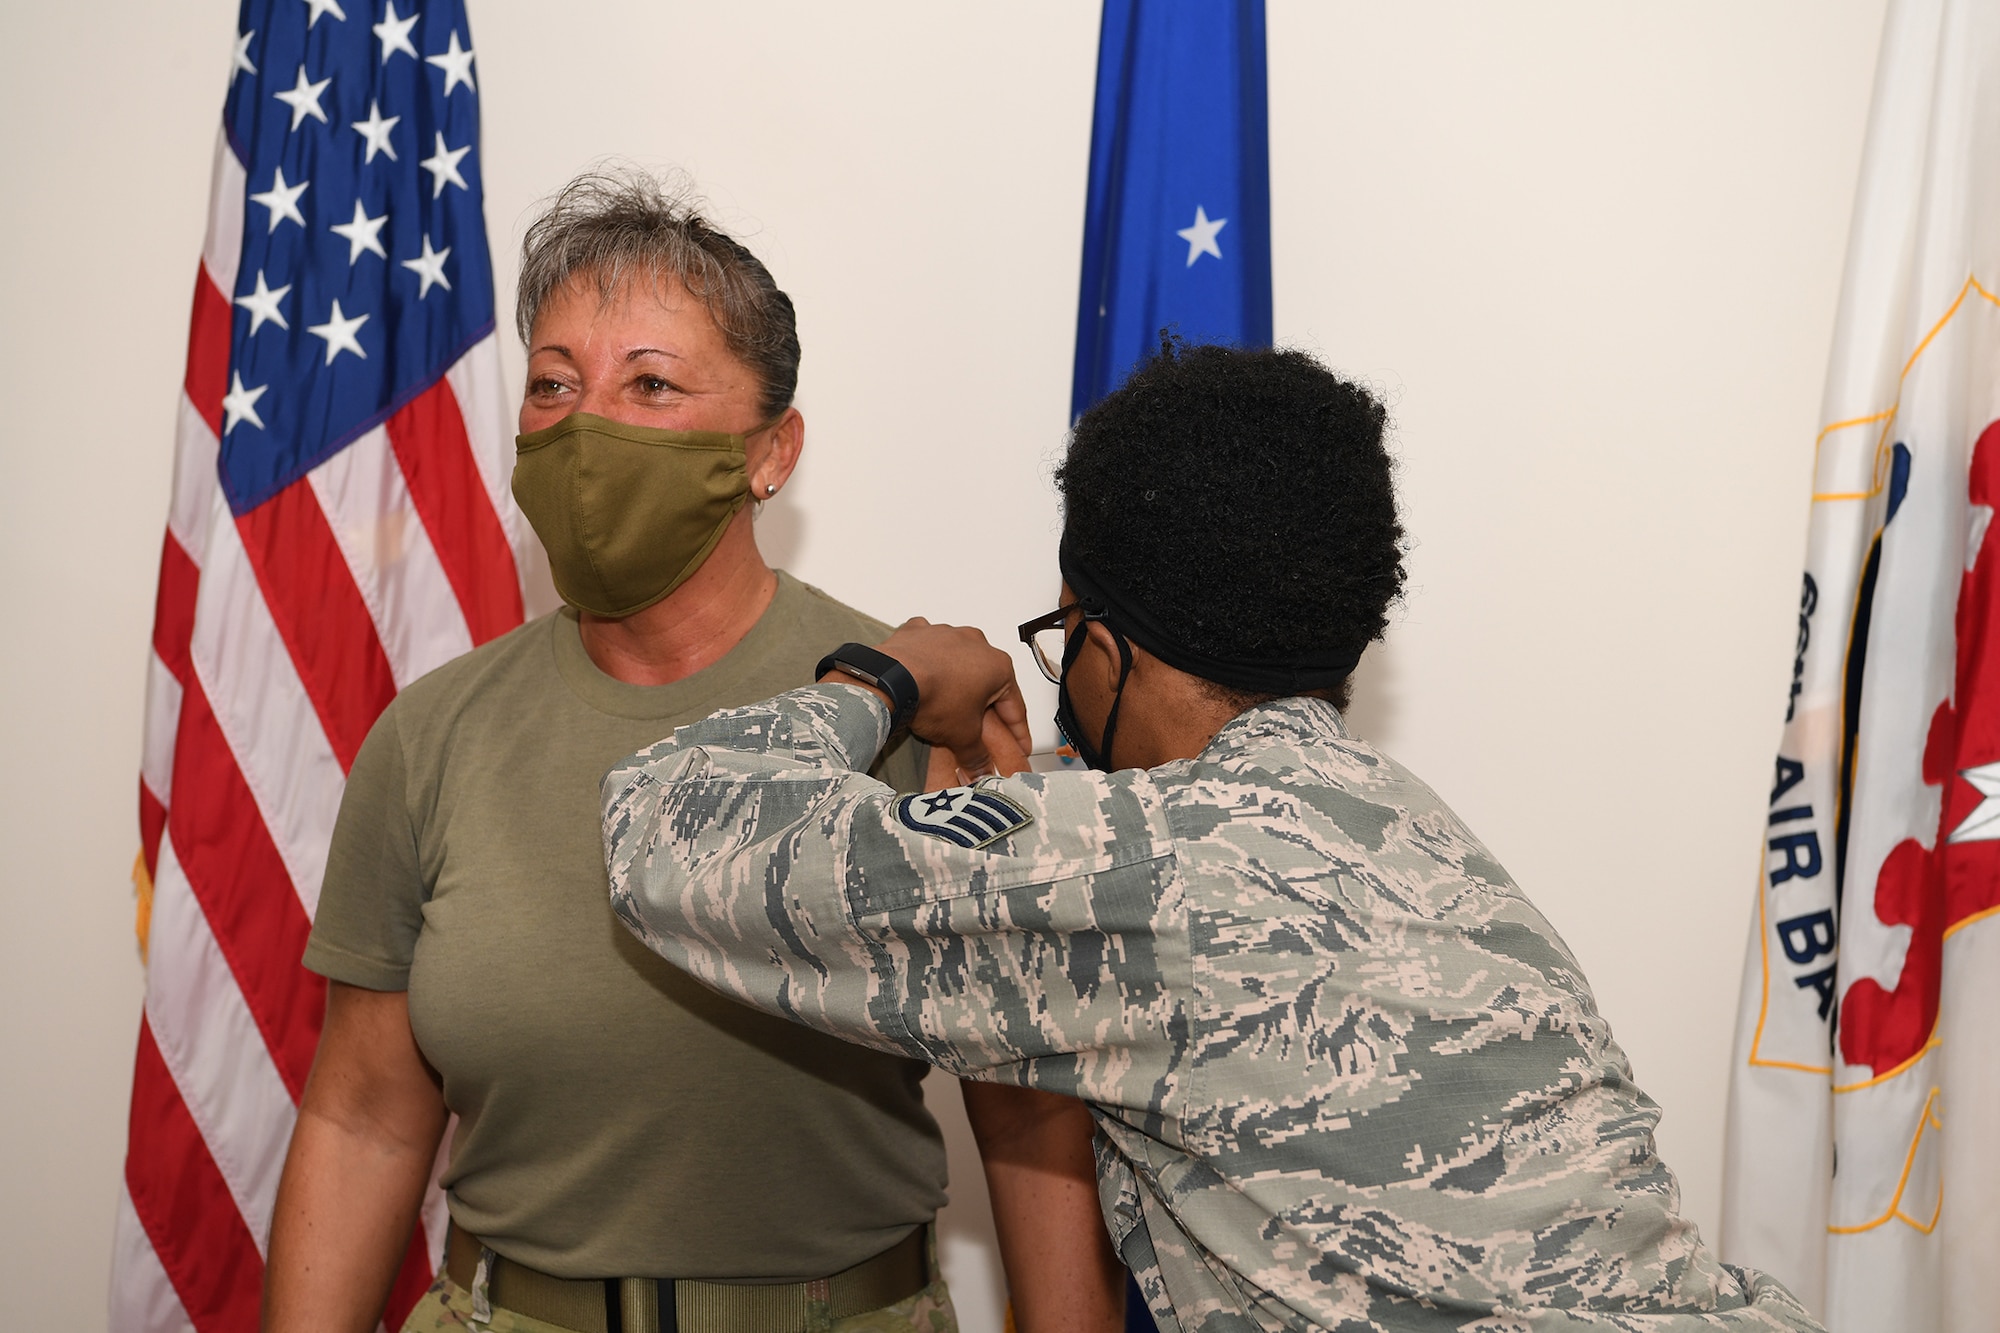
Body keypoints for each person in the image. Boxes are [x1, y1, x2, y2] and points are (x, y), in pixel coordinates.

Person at [598, 340, 1827, 1332]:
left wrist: (881, 673)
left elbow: (664, 829)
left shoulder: (1157, 864)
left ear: (1108, 645)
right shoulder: (1418, 832)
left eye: (1062, 634)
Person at [264, 171, 1123, 1333]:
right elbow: (364, 1115)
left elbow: (1022, 1113)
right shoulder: (433, 737)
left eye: (650, 384)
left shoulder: (911, 717)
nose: (587, 427)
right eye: (555, 385)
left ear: (773, 451)